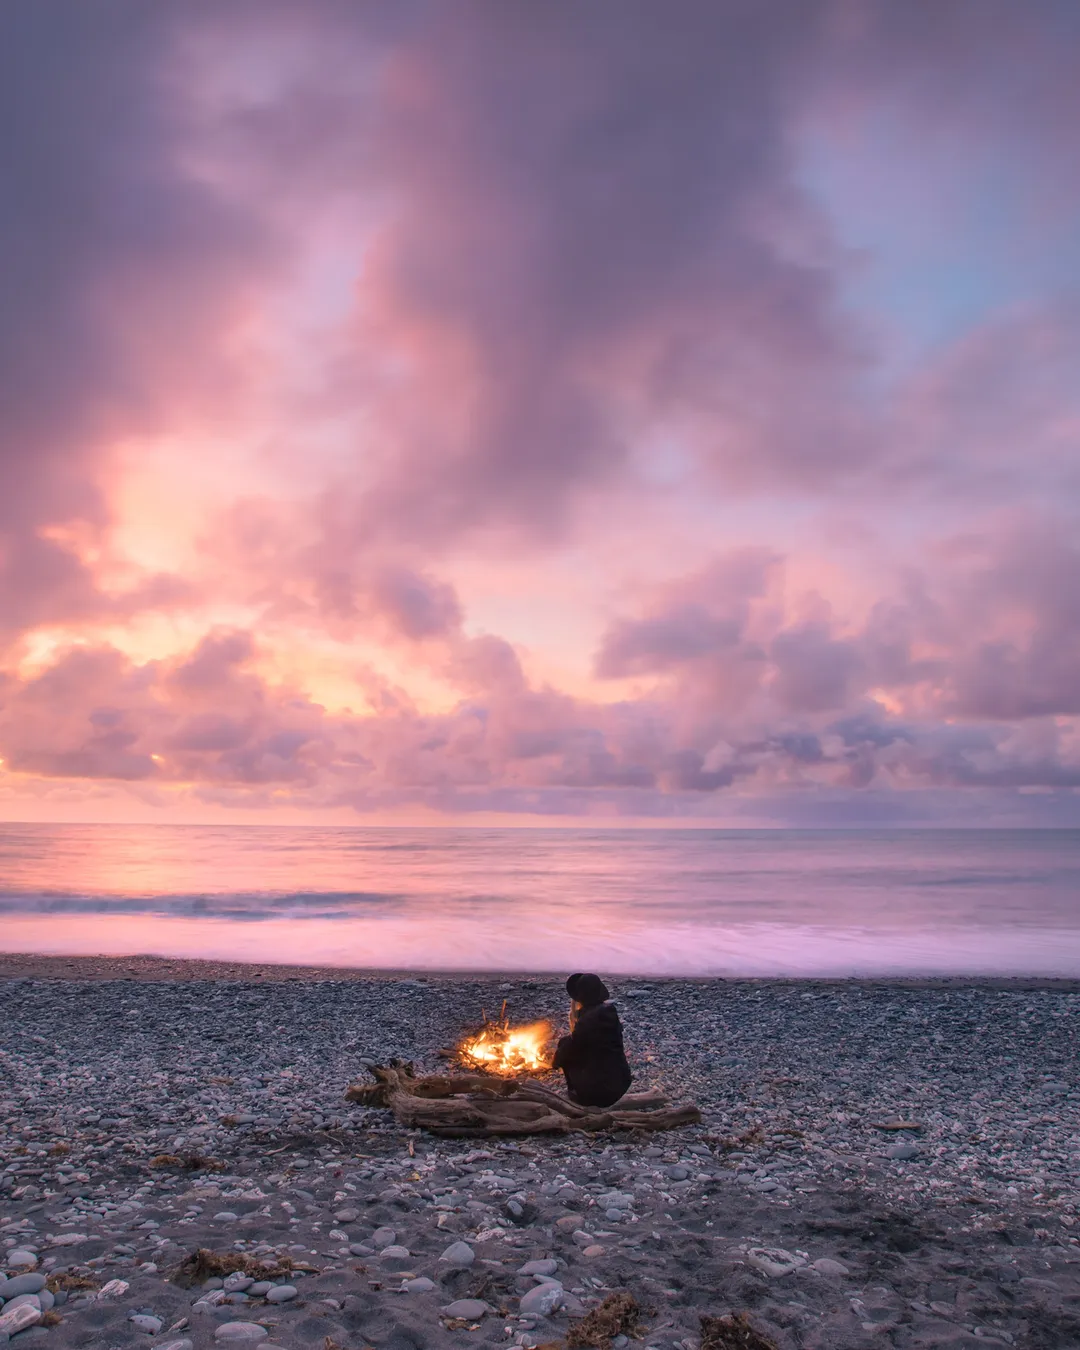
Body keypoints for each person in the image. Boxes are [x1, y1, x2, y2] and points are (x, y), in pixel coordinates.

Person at [552, 973, 632, 1108]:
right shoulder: (609, 1012)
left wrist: (556, 1061)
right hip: (621, 1083)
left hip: (600, 1093)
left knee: (565, 1046)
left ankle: (579, 1096)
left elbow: (569, 1049)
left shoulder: (587, 1020)